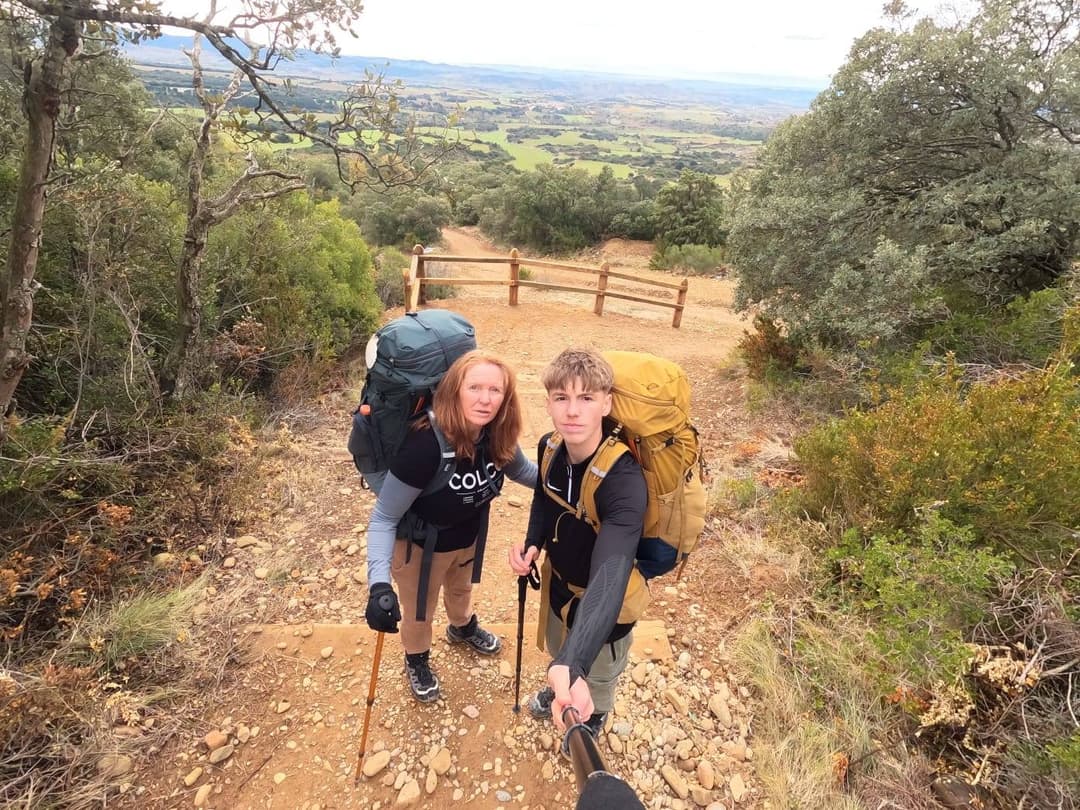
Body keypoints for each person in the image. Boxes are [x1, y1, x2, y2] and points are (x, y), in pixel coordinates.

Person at [364, 350, 537, 703]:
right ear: (454, 390)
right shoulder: (424, 444)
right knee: (419, 612)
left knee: (461, 591)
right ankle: (417, 658)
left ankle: (462, 627)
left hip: (467, 538)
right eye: (475, 388)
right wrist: (378, 585)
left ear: (506, 397)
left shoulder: (496, 434)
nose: (485, 399)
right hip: (420, 549)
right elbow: (383, 518)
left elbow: (522, 470)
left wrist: (569, 481)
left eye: (495, 390)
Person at [508, 348, 648, 736]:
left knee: (597, 675)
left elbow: (611, 573)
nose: (572, 411)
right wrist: (533, 542)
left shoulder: (623, 480)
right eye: (562, 397)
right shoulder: (550, 447)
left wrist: (575, 662)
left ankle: (595, 717)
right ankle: (563, 679)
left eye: (586, 398)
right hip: (559, 587)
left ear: (606, 404)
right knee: (559, 646)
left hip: (607, 606)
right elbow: (543, 497)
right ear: (548, 403)